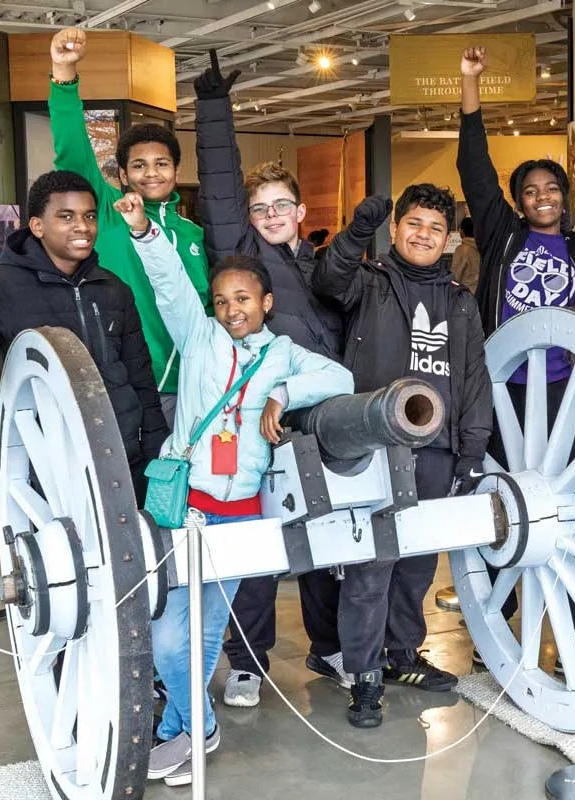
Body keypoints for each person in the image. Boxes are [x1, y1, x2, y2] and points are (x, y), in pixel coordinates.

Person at [117, 190, 353, 788]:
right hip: (187, 510)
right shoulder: (198, 338)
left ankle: (181, 732)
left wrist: (283, 394)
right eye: (222, 301)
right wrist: (144, 231)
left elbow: (341, 376)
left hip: (241, 516)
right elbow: (170, 283)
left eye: (243, 299)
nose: (232, 309)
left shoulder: (282, 354)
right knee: (170, 631)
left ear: (266, 302)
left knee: (199, 634)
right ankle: (198, 728)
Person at [190, 50, 351, 707]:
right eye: (262, 208)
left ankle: (330, 642)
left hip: (315, 411)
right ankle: (248, 660)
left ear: (301, 208)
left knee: (323, 539)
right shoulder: (245, 256)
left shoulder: (321, 262)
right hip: (261, 422)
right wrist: (213, 112)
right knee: (255, 546)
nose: (273, 214)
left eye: (283, 205)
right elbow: (223, 191)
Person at [312, 185, 492, 728]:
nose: (422, 235)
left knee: (416, 564)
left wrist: (473, 448)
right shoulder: (369, 280)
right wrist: (356, 231)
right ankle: (363, 676)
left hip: (437, 448)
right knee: (372, 566)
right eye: (413, 224)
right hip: (376, 444)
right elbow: (327, 280)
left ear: (447, 238)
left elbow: (473, 377)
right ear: (396, 230)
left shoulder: (460, 299)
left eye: (435, 228)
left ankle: (400, 655)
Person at [457, 45, 575, 659]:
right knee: (502, 494)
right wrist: (470, 87)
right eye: (531, 190)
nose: (542, 196)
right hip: (507, 385)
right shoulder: (504, 234)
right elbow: (475, 168)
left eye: (551, 188)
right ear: (518, 200)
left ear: (564, 196)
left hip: (563, 387)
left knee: (569, 502)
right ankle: (496, 606)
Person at [0, 170, 168, 500]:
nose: (83, 227)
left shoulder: (114, 289)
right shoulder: (3, 286)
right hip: (47, 463)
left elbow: (140, 377)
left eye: (89, 216)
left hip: (122, 454)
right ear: (37, 226)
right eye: (66, 216)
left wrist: (156, 447)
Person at [48, 26, 210, 424]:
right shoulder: (109, 212)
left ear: (176, 169)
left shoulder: (193, 235)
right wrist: (63, 75)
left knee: (179, 480)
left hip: (188, 384)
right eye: (139, 165)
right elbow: (73, 151)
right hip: (122, 379)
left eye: (162, 164)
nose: (151, 174)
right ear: (122, 174)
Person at [450, 217, 480, 292]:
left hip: (466, 293)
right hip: (482, 293)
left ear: (462, 231)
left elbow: (455, 275)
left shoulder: (462, 250)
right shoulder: (483, 248)